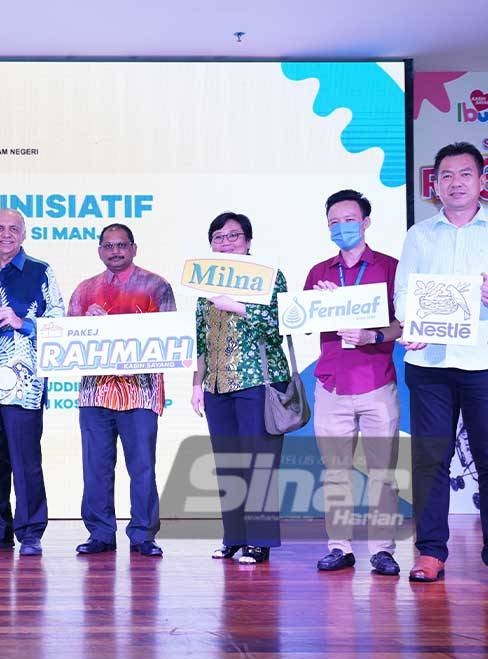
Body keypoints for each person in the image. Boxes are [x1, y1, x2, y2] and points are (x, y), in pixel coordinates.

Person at [395, 142, 488, 582]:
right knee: (430, 459)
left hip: (483, 361)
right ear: (435, 184)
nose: (455, 183)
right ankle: (430, 552)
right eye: (446, 175)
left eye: (465, 174)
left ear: (481, 181)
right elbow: (403, 294)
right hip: (429, 363)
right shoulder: (419, 234)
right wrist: (409, 321)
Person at [305, 190, 403, 576]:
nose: (341, 227)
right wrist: (322, 304)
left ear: (365, 222)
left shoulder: (390, 267)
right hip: (331, 384)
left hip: (377, 382)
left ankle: (382, 550)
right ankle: (339, 547)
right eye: (333, 222)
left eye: (348, 220)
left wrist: (374, 337)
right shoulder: (319, 273)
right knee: (336, 473)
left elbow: (403, 324)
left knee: (383, 472)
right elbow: (302, 320)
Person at [69, 223, 176, 557]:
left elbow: (171, 337)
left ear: (134, 248)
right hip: (95, 391)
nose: (115, 251)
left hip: (140, 391)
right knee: (96, 466)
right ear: (100, 250)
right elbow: (66, 339)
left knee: (142, 465)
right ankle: (100, 532)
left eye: (121, 245)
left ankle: (143, 534)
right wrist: (86, 324)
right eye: (108, 245)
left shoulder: (156, 286)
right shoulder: (84, 291)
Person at [190, 212, 289, 564]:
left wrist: (239, 308)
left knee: (258, 464)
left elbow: (280, 324)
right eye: (218, 236)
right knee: (228, 464)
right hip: (217, 385)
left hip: (258, 382)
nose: (226, 242)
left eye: (233, 235)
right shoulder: (205, 283)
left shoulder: (268, 277)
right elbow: (201, 337)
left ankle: (259, 542)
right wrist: (197, 384)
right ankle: (233, 537)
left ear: (248, 241)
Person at [0, 208, 65, 556]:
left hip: (24, 384)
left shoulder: (40, 271)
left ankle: (31, 533)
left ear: (23, 234)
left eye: (13, 229)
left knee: (25, 461)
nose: (5, 234)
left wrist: (22, 320)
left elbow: (58, 319)